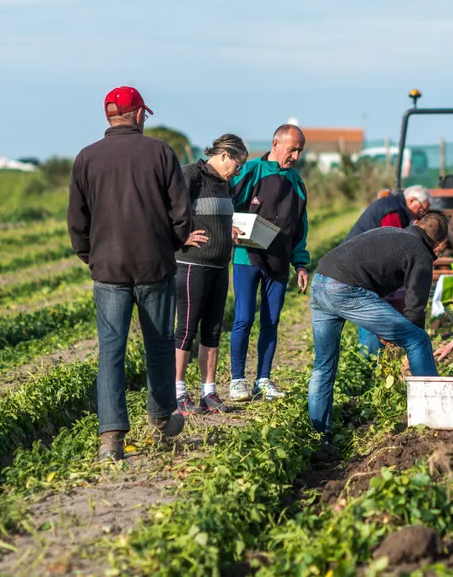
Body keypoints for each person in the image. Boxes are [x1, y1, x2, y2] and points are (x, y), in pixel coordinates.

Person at [67, 85, 204, 461]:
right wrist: (174, 243)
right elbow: (181, 212)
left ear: (109, 117)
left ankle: (111, 438)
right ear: (139, 114)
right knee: (158, 343)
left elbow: (77, 220)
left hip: (107, 269)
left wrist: (91, 257)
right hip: (153, 265)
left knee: (111, 350)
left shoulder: (86, 158)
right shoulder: (159, 152)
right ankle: (161, 421)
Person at [308, 213, 450, 443]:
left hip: (321, 279)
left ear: (416, 224)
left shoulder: (390, 232)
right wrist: (404, 339)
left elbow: (369, 279)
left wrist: (386, 329)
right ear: (438, 244)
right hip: (344, 288)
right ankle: (434, 416)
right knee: (418, 340)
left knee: (323, 367)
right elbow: (415, 310)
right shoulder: (421, 254)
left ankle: (318, 437)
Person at [227, 125, 311, 402]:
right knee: (243, 318)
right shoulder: (251, 171)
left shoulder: (297, 182)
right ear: (276, 143)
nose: (296, 156)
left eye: (299, 150)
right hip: (246, 257)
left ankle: (263, 379)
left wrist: (300, 263)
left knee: (271, 322)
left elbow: (300, 227)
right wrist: (228, 225)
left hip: (279, 260)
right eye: (292, 149)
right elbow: (226, 203)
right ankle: (237, 380)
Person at [172, 134, 249, 415]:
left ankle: (209, 392)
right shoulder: (191, 174)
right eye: (237, 165)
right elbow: (166, 208)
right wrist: (180, 237)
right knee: (187, 328)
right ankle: (178, 392)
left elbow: (217, 215)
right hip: (192, 264)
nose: (238, 171)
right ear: (225, 155)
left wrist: (227, 229)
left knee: (213, 330)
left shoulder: (226, 184)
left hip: (219, 265)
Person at [343, 186, 434, 357]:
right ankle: (370, 361)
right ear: (412, 200)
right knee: (370, 311)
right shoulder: (392, 213)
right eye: (421, 209)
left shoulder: (395, 207)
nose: (420, 215)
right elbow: (390, 246)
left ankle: (375, 358)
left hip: (360, 265)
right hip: (360, 270)